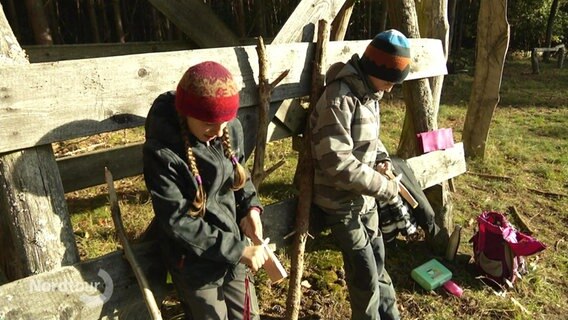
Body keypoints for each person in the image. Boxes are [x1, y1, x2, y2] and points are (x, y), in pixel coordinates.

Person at [143, 61, 268, 320]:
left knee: (248, 315)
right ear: (187, 112)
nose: (219, 131)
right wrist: (238, 250)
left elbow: (239, 174)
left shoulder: (226, 129)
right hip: (193, 262)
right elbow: (177, 221)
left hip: (233, 250)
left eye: (225, 123)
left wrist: (250, 209)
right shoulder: (163, 153)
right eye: (210, 123)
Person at [309, 29, 412, 320]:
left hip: (365, 201)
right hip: (340, 203)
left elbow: (372, 142)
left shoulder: (371, 94)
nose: (391, 88)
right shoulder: (339, 99)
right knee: (365, 274)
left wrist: (383, 162)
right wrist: (384, 187)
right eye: (390, 80)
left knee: (378, 264)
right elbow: (337, 164)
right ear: (372, 68)